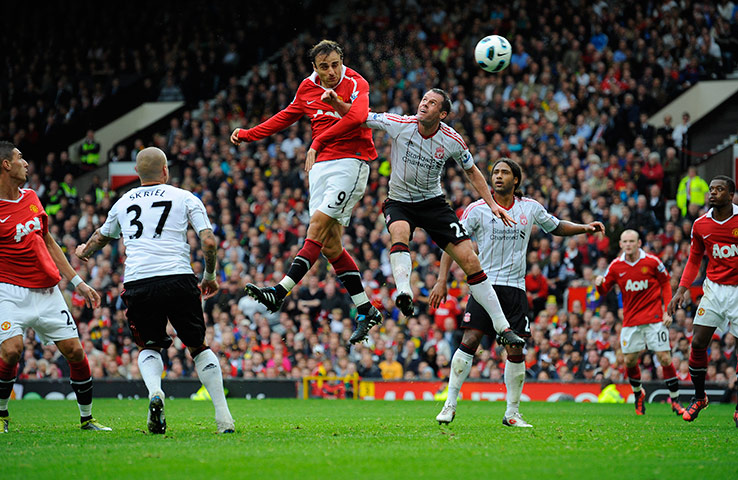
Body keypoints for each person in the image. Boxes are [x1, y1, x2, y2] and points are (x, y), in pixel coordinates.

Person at [327, 88, 524, 349]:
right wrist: (336, 102)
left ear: (442, 114)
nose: (424, 105)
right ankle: (404, 291)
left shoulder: (452, 139)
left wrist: (492, 205)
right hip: (399, 201)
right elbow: (359, 117)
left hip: (433, 204)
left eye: (432, 103)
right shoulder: (400, 124)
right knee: (398, 233)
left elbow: (472, 171)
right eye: (423, 100)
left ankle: (503, 327)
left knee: (469, 258)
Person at [429, 158, 604, 427]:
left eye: (504, 172)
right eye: (495, 172)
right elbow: (453, 244)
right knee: (471, 339)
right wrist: (441, 280)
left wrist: (584, 228)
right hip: (483, 286)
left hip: (516, 289)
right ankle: (449, 405)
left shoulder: (530, 207)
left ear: (516, 180)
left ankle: (512, 413)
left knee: (516, 348)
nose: (498, 177)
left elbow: (555, 226)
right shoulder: (477, 210)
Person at [230, 39, 381, 344]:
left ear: (343, 61)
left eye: (335, 64)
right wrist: (248, 135)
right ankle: (366, 308)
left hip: (351, 162)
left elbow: (357, 118)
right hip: (322, 168)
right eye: (324, 66)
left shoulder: (356, 82)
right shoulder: (306, 88)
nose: (331, 71)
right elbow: (284, 116)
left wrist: (316, 142)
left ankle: (280, 290)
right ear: (314, 67)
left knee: (317, 226)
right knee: (330, 246)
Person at [75, 147, 234, 434]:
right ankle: (224, 418)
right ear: (165, 171)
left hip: (139, 282)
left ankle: (155, 394)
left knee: (149, 345)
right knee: (198, 347)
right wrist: (209, 275)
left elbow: (101, 237)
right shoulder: (185, 197)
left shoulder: (123, 202)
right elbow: (208, 242)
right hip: (178, 278)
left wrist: (83, 251)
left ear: (137, 173)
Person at [0, 141, 110, 433]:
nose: (26, 163)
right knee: (12, 350)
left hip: (47, 291)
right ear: (5, 165)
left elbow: (48, 242)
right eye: (20, 158)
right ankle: (0, 416)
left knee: (75, 351)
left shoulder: (32, 197)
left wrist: (79, 282)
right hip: (8, 291)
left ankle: (87, 419)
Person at [667, 175, 738, 424]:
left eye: (719, 189)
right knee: (697, 342)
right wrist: (681, 290)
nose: (713, 193)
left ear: (731, 195)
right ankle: (699, 396)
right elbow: (694, 259)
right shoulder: (700, 224)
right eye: (711, 189)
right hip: (714, 289)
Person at [595, 230, 684, 416]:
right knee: (629, 360)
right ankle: (638, 394)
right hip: (630, 321)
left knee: (664, 357)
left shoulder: (652, 262)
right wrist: (598, 284)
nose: (628, 244)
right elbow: (604, 290)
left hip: (654, 320)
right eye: (625, 241)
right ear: (620, 244)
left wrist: (667, 310)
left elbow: (666, 283)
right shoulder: (616, 266)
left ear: (639, 243)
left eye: (631, 241)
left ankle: (675, 400)